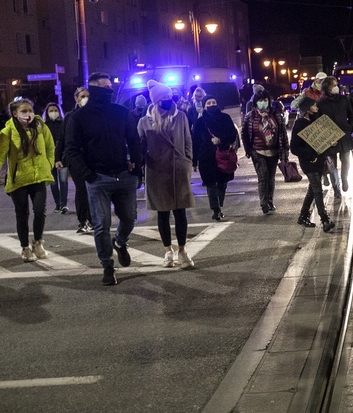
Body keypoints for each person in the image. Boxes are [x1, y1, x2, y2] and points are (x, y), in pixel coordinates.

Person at [64, 72, 143, 286]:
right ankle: (107, 266)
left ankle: (121, 242)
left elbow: (134, 142)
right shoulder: (79, 117)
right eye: (106, 87)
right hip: (98, 178)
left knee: (129, 218)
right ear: (95, 89)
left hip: (124, 175)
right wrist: (87, 174)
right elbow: (71, 150)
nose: (110, 89)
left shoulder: (121, 112)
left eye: (111, 86)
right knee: (101, 224)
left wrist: (138, 169)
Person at [138, 80, 196, 269]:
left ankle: (182, 250)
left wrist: (188, 161)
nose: (168, 100)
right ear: (155, 101)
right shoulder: (145, 121)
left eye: (169, 97)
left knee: (180, 213)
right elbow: (140, 146)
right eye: (163, 98)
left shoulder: (181, 117)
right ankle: (167, 251)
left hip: (178, 170)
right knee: (162, 214)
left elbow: (188, 140)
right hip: (157, 172)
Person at [0, 98, 55, 262]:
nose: (28, 114)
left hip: (39, 177)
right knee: (22, 215)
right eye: (24, 111)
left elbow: (50, 147)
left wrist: (48, 164)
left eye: (30, 110)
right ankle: (25, 248)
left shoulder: (40, 126)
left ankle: (37, 243)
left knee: (40, 212)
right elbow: (1, 155)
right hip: (19, 180)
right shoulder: (7, 132)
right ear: (15, 113)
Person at [290, 95, 336, 231]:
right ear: (307, 109)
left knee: (312, 190)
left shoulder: (314, 121)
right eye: (314, 105)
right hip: (309, 162)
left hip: (318, 160)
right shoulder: (299, 124)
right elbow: (294, 148)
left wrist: (330, 143)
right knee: (317, 190)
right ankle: (325, 219)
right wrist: (311, 156)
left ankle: (303, 216)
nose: (316, 107)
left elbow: (318, 142)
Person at [192, 96, 239, 222]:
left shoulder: (225, 118)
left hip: (223, 155)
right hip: (206, 157)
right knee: (211, 184)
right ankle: (215, 209)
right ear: (204, 106)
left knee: (222, 182)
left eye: (214, 102)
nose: (212, 104)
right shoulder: (200, 122)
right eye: (209, 103)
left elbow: (233, 135)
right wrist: (194, 160)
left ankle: (219, 205)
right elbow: (195, 142)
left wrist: (221, 140)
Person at [241, 88, 289, 214]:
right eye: (260, 100)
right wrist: (248, 150)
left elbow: (283, 134)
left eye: (265, 100)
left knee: (271, 178)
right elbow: (245, 134)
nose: (263, 103)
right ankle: (264, 202)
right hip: (257, 152)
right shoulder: (250, 117)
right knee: (263, 177)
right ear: (255, 102)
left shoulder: (275, 115)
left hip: (273, 151)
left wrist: (285, 150)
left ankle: (270, 201)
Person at [58, 87, 92, 234]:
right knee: (82, 190)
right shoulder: (70, 116)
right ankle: (83, 220)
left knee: (94, 190)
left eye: (88, 96)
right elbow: (62, 138)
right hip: (76, 158)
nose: (85, 98)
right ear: (76, 99)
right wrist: (58, 158)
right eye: (82, 96)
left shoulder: (95, 114)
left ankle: (93, 219)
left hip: (93, 158)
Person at [316, 76, 353, 196]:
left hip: (344, 134)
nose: (336, 87)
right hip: (330, 137)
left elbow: (351, 115)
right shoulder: (321, 103)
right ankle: (336, 187)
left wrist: (350, 128)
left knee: (346, 160)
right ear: (327, 87)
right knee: (331, 163)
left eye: (336, 84)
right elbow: (319, 121)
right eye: (333, 85)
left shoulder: (344, 99)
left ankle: (344, 179)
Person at [42, 102, 69, 213]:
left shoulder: (64, 123)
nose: (53, 113)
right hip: (49, 158)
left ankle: (63, 204)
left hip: (63, 156)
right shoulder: (43, 126)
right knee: (53, 182)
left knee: (63, 181)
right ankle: (57, 204)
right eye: (51, 111)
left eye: (55, 110)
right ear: (47, 113)